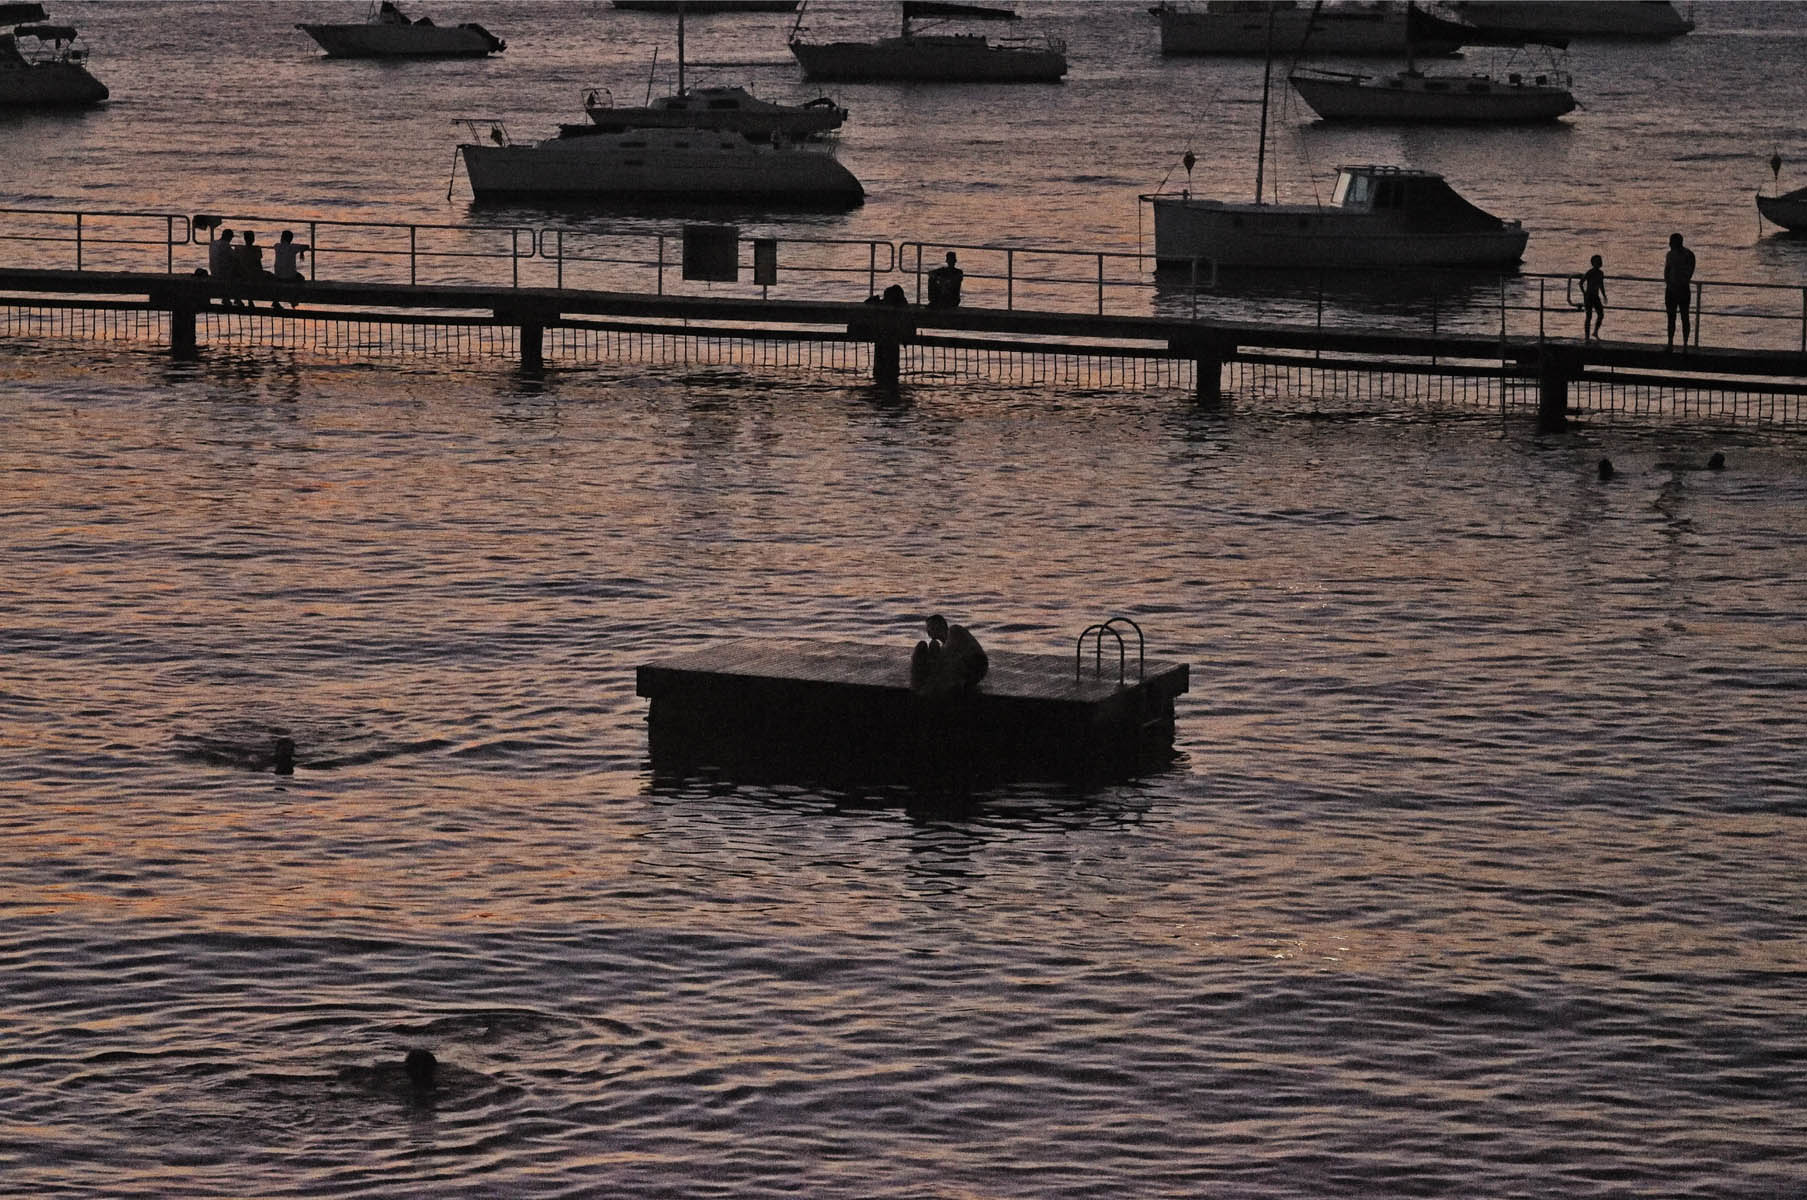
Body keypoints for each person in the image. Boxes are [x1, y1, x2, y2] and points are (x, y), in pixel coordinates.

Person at [910, 613, 988, 696]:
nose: (928, 631)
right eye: (927, 629)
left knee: (933, 649)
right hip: (968, 673)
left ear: (939, 625)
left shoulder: (954, 630)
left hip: (975, 665)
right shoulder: (945, 645)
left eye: (930, 627)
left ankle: (925, 688)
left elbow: (950, 655)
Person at [1663, 232, 1696, 349]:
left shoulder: (1688, 254)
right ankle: (1671, 342)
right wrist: (1669, 283)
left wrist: (1679, 282)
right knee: (1674, 318)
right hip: (1674, 289)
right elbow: (1667, 272)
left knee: (1683, 317)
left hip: (1680, 289)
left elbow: (1690, 271)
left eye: (1671, 242)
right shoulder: (1670, 255)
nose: (1669, 244)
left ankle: (1684, 344)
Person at [271, 229, 308, 310]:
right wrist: (301, 252)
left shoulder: (277, 246)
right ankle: (294, 300)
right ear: (290, 239)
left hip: (278, 277)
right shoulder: (293, 247)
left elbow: (274, 246)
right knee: (301, 278)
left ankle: (276, 301)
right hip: (290, 277)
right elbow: (307, 246)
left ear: (282, 238)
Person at [235, 231, 269, 309]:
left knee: (248, 276)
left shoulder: (239, 249)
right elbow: (258, 263)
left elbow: (236, 262)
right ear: (253, 239)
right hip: (253, 274)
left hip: (243, 274)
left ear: (244, 239)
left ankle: (242, 299)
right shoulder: (257, 249)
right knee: (269, 275)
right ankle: (251, 300)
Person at [207, 227, 239, 306]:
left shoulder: (213, 243)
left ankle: (230, 298)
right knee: (237, 266)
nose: (231, 240)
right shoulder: (225, 245)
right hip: (223, 273)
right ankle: (237, 297)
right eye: (231, 238)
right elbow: (235, 257)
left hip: (213, 271)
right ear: (228, 237)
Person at [1580, 254, 1607, 340]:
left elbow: (1601, 285)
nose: (1599, 263)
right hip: (1589, 296)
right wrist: (1584, 293)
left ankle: (1595, 332)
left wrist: (1604, 295)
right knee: (1589, 316)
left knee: (1601, 314)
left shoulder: (1601, 273)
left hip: (1596, 296)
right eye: (1597, 261)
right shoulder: (1590, 272)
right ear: (1593, 263)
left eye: (1600, 261)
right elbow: (1581, 283)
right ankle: (1586, 337)